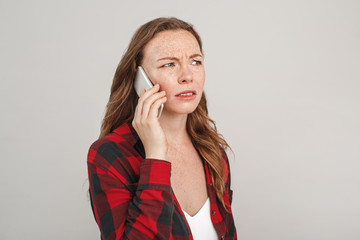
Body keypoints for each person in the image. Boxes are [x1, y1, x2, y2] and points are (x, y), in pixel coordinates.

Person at [87, 17, 237, 240]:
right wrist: (155, 157)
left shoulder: (213, 151)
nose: (187, 76)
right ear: (140, 78)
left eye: (195, 61)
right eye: (169, 64)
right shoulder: (110, 155)